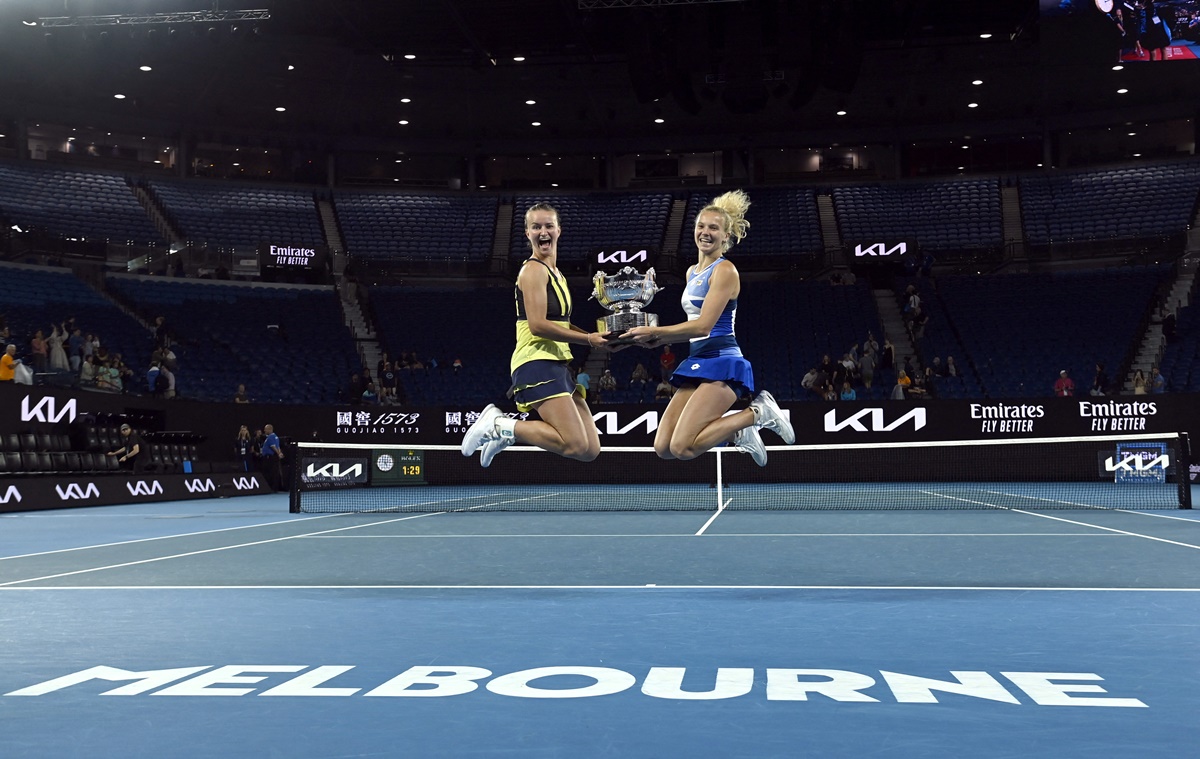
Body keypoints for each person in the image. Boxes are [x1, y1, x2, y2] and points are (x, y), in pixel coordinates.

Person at [621, 190, 794, 466]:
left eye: (713, 228)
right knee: (663, 447)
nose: (705, 232)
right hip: (697, 360)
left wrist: (656, 332)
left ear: (726, 236)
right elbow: (692, 326)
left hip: (723, 361)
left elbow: (703, 327)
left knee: (684, 447)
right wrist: (655, 338)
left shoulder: (725, 271)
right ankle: (739, 431)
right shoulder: (692, 272)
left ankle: (758, 413)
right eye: (701, 226)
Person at [461, 202, 618, 467]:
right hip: (536, 361)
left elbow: (561, 323)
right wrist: (588, 340)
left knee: (590, 449)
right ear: (528, 234)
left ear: (559, 230)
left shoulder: (556, 273)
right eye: (536, 227)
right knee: (575, 443)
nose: (542, 231)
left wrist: (597, 338)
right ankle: (499, 424)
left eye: (548, 226)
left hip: (557, 362)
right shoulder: (533, 270)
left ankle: (508, 432)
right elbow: (537, 325)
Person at [260, 423, 284, 490]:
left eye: (265, 429)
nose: (264, 430)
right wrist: (279, 453)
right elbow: (278, 446)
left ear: (270, 429)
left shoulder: (271, 437)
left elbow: (273, 447)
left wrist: (278, 453)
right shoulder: (275, 436)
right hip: (272, 457)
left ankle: (271, 488)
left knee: (270, 473)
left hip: (269, 458)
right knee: (274, 472)